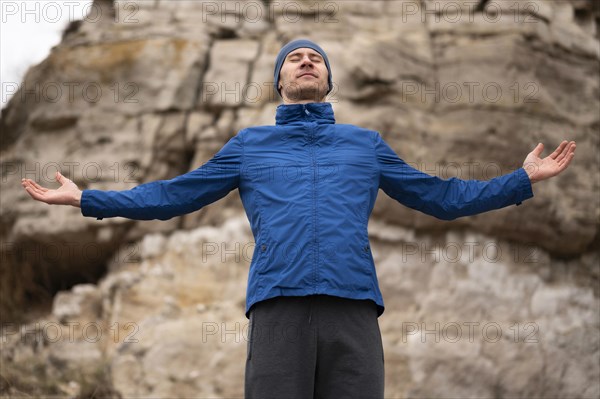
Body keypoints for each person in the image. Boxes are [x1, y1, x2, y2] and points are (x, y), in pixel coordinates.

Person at [21, 39, 576, 398]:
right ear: (280, 82)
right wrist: (85, 199)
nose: (306, 61)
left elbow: (441, 197)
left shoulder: (366, 144)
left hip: (353, 308)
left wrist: (520, 180)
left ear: (328, 82)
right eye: (294, 57)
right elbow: (173, 195)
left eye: (316, 58)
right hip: (277, 306)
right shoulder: (248, 145)